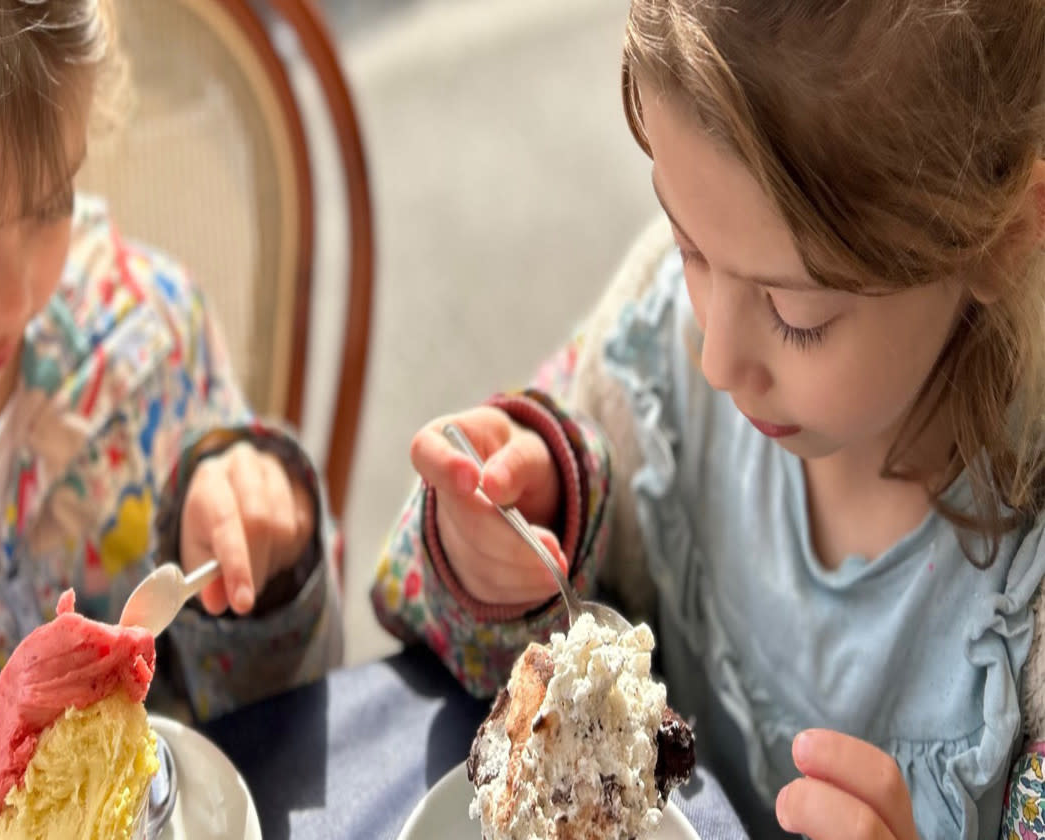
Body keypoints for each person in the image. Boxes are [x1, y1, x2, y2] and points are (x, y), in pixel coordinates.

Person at [373, 1, 1045, 837]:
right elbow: (421, 606)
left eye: (797, 313)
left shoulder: (1023, 624)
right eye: (688, 243)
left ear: (1004, 234)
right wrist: (524, 525)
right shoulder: (657, 354)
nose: (716, 360)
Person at [0, 0, 341, 836]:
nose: (12, 301)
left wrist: (270, 566)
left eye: (52, 202)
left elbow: (286, 718)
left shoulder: (150, 346)